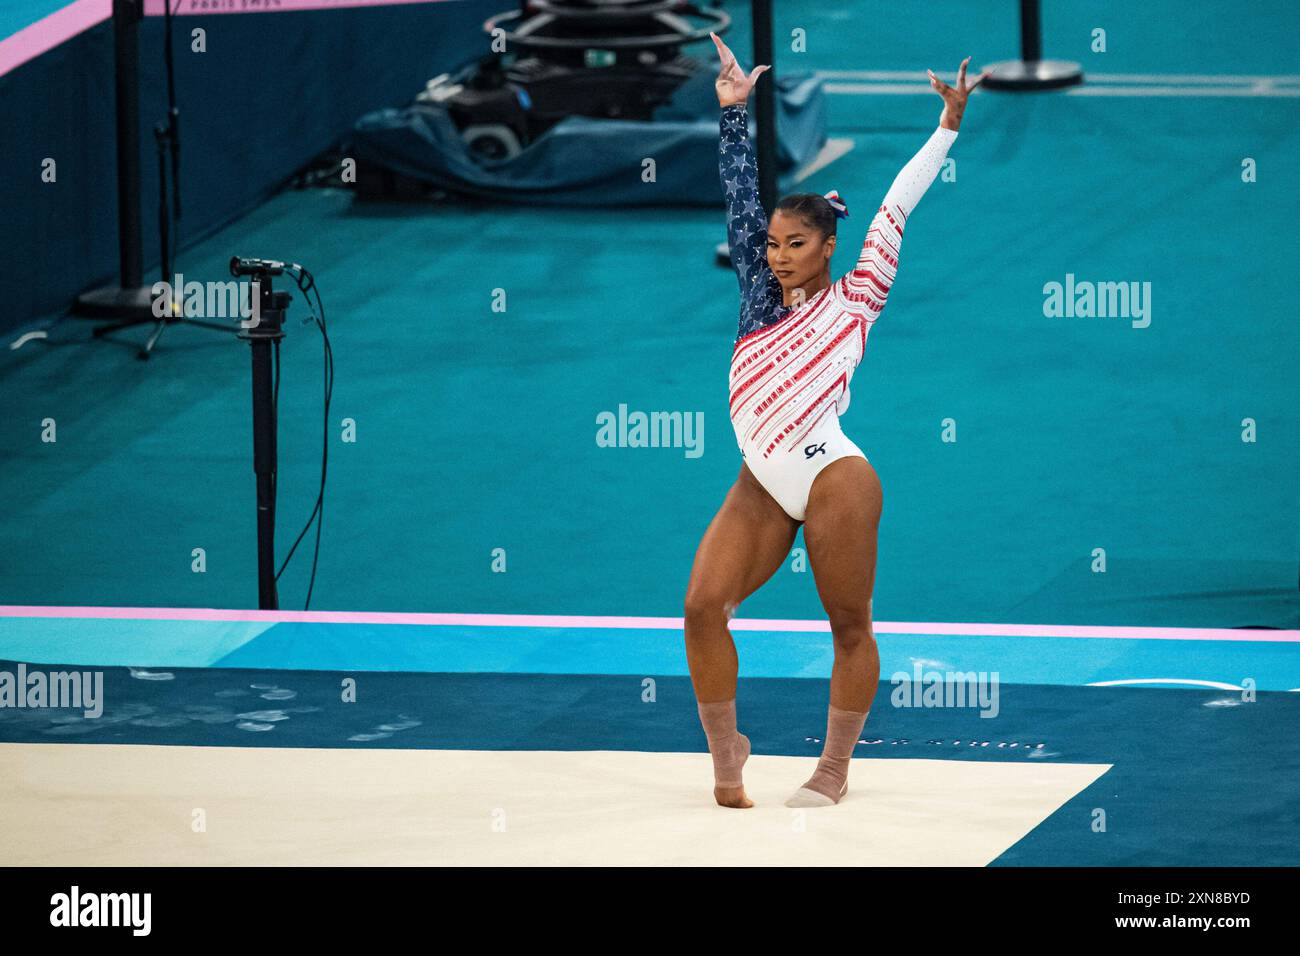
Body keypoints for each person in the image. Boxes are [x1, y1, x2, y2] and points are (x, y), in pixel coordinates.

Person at [685, 33, 988, 809]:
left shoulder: (858, 297)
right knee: (701, 607)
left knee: (847, 624)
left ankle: (835, 765)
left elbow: (896, 205)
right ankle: (728, 754)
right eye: (773, 245)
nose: (778, 254)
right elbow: (739, 198)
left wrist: (945, 128)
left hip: (832, 475)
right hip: (761, 479)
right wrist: (730, 113)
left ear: (827, 246)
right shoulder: (757, 298)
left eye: (796, 244)